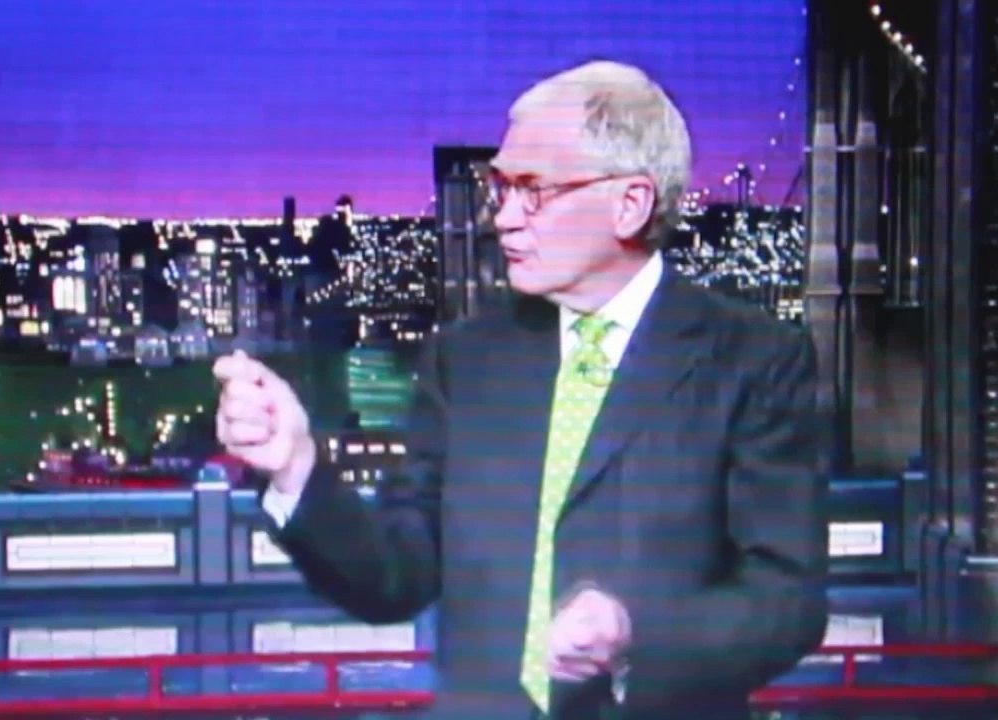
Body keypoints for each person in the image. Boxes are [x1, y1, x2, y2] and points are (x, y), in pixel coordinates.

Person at [214, 60, 828, 720]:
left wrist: (635, 632)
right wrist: (297, 470)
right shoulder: (466, 359)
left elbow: (784, 600)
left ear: (630, 204)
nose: (502, 218)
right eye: (500, 188)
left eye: (534, 191)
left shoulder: (754, 358)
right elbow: (394, 578)